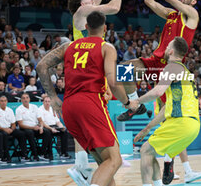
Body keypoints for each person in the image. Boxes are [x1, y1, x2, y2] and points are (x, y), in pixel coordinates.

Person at [36, 11, 136, 186]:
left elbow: (41, 65)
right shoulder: (106, 47)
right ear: (105, 28)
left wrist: (52, 97)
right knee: (115, 160)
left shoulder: (69, 46)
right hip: (90, 104)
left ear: (86, 27)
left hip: (69, 107)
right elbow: (112, 81)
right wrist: (127, 102)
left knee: (104, 162)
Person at [66, 0, 128, 181]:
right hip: (85, 73)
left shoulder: (87, 11)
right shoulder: (81, 13)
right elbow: (113, 7)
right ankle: (80, 165)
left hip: (92, 71)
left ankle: (83, 165)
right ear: (81, 4)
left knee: (106, 158)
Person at [117, 0, 199, 122]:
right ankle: (136, 107)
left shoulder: (192, 15)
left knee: (165, 111)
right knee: (123, 70)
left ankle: (173, 140)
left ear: (194, 2)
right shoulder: (171, 14)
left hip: (172, 65)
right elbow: (149, 1)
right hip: (156, 62)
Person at [132, 37, 201, 185]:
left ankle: (166, 167)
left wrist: (136, 101)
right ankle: (169, 163)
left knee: (145, 150)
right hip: (193, 126)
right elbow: (166, 108)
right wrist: (147, 128)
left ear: (171, 51)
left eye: (167, 47)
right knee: (150, 151)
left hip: (181, 122)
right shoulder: (185, 72)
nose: (164, 50)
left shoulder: (171, 67)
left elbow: (158, 91)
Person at [0, 96, 30, 162]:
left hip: (10, 129)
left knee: (22, 134)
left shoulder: (10, 110)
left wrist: (12, 129)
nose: (3, 102)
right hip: (0, 129)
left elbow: (13, 124)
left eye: (5, 101)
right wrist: (4, 129)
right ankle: (6, 156)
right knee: (4, 135)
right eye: (2, 101)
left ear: (7, 102)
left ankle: (24, 155)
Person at [16, 93, 52, 161]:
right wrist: (33, 128)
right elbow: (20, 125)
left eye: (27, 98)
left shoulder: (34, 107)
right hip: (25, 128)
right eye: (23, 98)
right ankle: (35, 155)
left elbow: (40, 120)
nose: (25, 99)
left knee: (47, 132)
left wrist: (41, 127)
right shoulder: (19, 109)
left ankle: (42, 153)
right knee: (30, 133)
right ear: (21, 100)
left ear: (29, 99)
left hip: (36, 127)